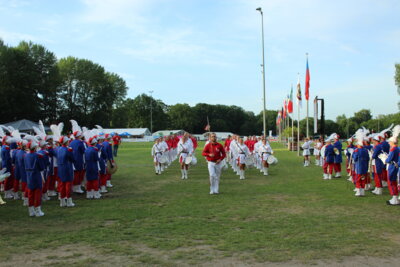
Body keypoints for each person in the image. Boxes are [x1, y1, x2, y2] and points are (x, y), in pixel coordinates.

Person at [24, 139, 45, 216]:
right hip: (36, 175)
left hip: (29, 175)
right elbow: (42, 167)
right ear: (35, 148)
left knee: (30, 193)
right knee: (37, 193)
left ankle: (31, 211)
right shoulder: (38, 156)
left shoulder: (25, 155)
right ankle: (38, 211)